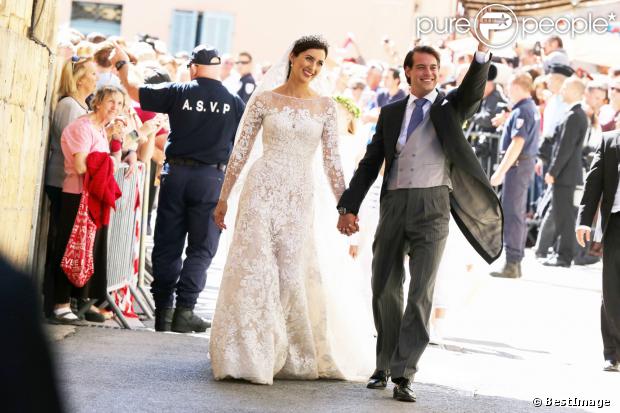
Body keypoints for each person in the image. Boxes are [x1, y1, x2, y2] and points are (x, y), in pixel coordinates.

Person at [337, 33, 502, 401]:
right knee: (384, 285)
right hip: (394, 203)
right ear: (407, 72)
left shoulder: (450, 106)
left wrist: (482, 53)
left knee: (421, 290)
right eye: (421, 67)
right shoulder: (391, 112)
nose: (428, 73)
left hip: (433, 207)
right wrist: (349, 205)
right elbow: (370, 162)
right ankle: (384, 363)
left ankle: (405, 372)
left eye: (434, 68)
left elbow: (473, 91)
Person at [209, 35, 350, 385]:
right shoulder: (264, 100)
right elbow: (240, 151)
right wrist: (224, 197)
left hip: (299, 195)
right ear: (293, 56)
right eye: (308, 58)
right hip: (260, 190)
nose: (312, 67)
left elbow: (333, 163)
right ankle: (248, 353)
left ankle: (286, 350)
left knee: (289, 271)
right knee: (254, 268)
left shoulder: (326, 107)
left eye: (319, 63)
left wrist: (345, 208)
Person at [112, 44, 245, 333]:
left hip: (176, 174)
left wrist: (122, 63)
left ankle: (164, 312)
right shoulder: (234, 102)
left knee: (168, 243)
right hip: (211, 179)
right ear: (219, 69)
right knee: (202, 247)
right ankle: (185, 310)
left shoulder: (180, 91)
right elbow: (242, 146)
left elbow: (135, 91)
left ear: (193, 68)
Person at [51, 86, 125, 324]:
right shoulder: (81, 128)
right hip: (76, 195)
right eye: (111, 101)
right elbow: (82, 166)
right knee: (69, 248)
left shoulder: (101, 130)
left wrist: (114, 147)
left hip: (92, 198)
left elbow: (107, 161)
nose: (115, 107)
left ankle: (79, 300)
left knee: (87, 252)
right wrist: (108, 164)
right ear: (98, 103)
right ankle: (59, 303)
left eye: (120, 103)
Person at [43, 55, 98, 316]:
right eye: (93, 75)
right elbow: (74, 148)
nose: (97, 79)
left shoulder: (80, 106)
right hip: (63, 181)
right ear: (80, 79)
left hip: (77, 183)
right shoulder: (69, 106)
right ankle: (55, 299)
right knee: (61, 239)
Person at [576, 128, 620, 372]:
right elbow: (594, 182)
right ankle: (612, 353)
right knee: (612, 288)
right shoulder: (609, 140)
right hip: (616, 222)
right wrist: (584, 220)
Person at [489, 72, 540, 278]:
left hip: (517, 166)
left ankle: (513, 261)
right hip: (522, 165)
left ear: (518, 86)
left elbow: (517, 143)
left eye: (510, 87)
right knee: (514, 212)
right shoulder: (526, 108)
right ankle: (514, 261)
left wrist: (500, 172)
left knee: (512, 213)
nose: (508, 92)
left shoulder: (523, 111)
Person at [542, 78, 588, 267]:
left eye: (566, 87)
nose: (562, 90)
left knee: (565, 217)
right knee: (565, 216)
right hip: (567, 175)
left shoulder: (574, 115)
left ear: (576, 91)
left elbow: (565, 148)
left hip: (565, 175)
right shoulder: (575, 114)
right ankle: (562, 253)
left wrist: (553, 171)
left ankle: (564, 256)